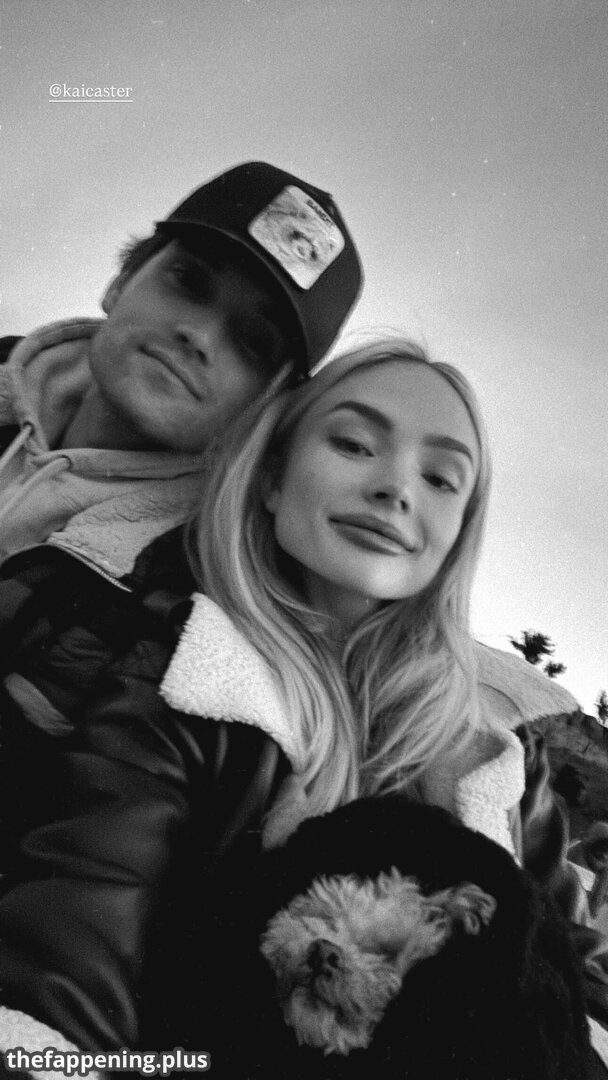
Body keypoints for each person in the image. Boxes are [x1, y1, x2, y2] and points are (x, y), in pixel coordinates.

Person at [0, 338, 605, 1075]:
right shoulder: (180, 684)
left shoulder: (500, 757)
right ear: (271, 479)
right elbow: (65, 971)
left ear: (458, 536)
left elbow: (579, 975)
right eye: (354, 444)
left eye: (442, 478)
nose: (396, 488)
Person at [0, 159, 362, 752]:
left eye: (253, 342)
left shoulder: (187, 604)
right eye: (190, 282)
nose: (200, 336)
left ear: (265, 408)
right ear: (122, 280)